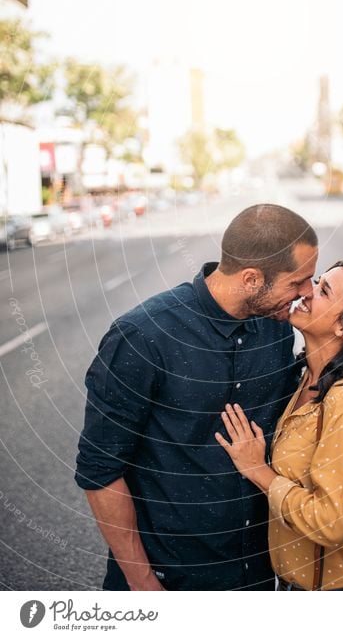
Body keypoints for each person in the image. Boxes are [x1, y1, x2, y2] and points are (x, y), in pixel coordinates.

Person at [75, 204, 318, 591]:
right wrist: (143, 584)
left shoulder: (277, 331)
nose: (307, 293)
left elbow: (294, 433)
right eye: (298, 282)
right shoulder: (143, 336)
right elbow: (99, 471)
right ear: (252, 279)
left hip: (254, 574)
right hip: (166, 580)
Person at [216, 260, 343, 591]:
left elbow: (330, 523)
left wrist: (256, 469)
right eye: (316, 282)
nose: (306, 292)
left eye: (323, 291)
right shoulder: (307, 380)